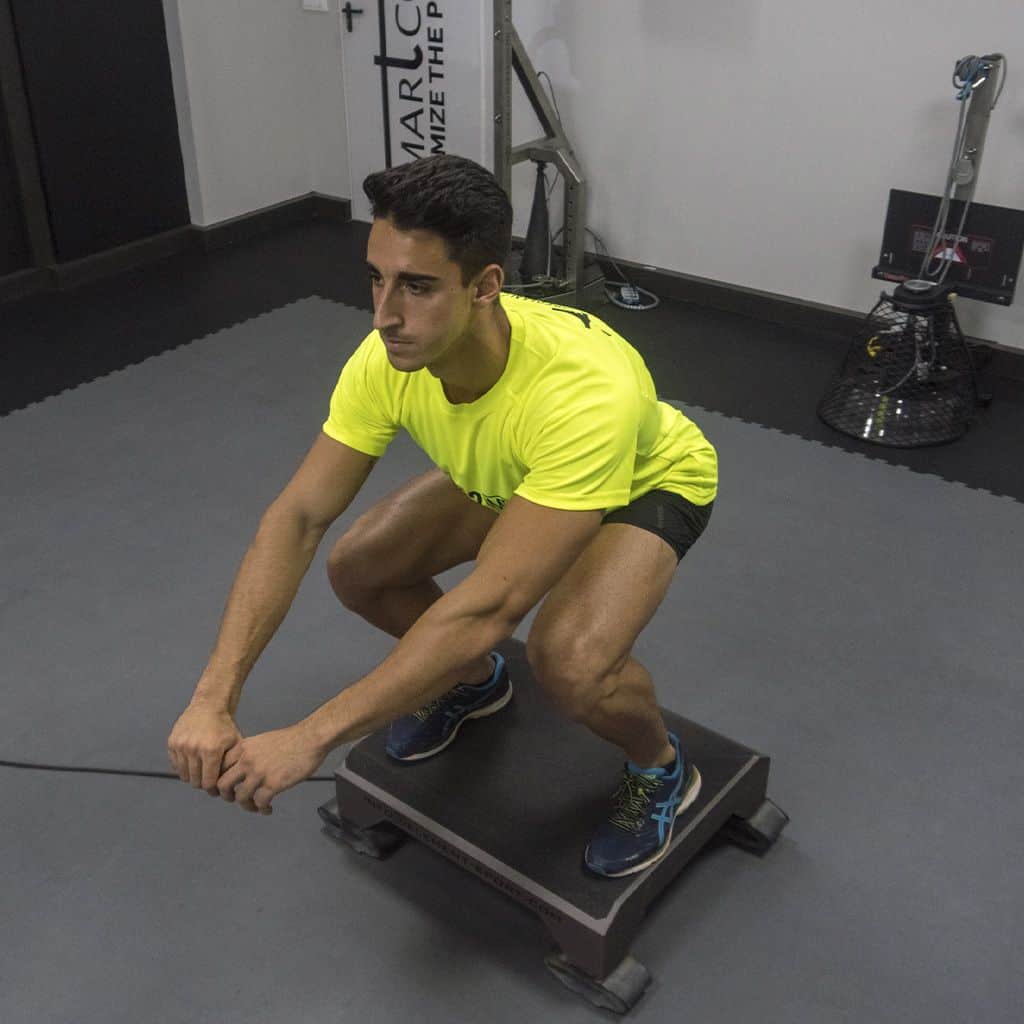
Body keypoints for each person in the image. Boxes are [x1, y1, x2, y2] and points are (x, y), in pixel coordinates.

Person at [167, 154, 717, 878]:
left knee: (570, 661)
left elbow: (488, 606)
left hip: (643, 483)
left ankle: (661, 767)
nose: (385, 314)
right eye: (376, 278)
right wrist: (213, 698)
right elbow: (297, 517)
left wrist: (311, 736)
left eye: (418, 287)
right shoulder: (386, 358)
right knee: (361, 568)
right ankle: (473, 683)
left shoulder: (585, 393)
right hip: (518, 473)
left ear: (485, 286)